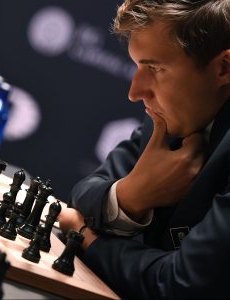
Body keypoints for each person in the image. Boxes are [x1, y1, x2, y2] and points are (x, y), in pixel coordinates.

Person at [58, 0, 230, 298]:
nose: (135, 92)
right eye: (139, 66)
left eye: (155, 69)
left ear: (224, 68)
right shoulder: (176, 113)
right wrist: (132, 196)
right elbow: (86, 193)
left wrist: (86, 237)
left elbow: (179, 286)